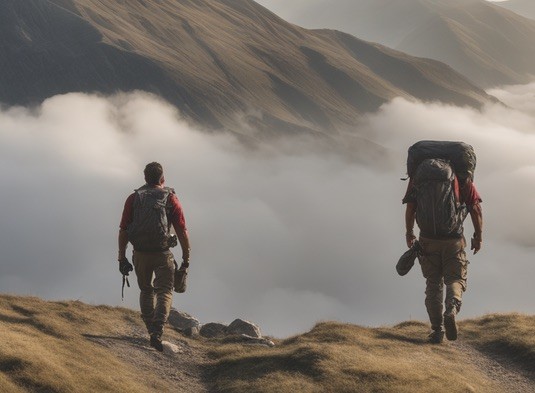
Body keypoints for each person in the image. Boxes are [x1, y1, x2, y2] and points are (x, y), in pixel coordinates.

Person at [118, 162, 190, 351]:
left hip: (140, 253)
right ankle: (157, 331)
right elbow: (182, 230)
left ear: (145, 179)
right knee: (165, 291)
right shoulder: (170, 198)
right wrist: (186, 258)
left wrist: (121, 257)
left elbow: (124, 230)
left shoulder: (134, 198)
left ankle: (151, 329)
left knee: (146, 290)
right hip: (162, 253)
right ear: (162, 179)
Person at [403, 174, 482, 344]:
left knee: (433, 283)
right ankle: (452, 308)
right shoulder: (462, 177)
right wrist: (478, 236)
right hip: (453, 241)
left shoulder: (419, 175)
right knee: (455, 279)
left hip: (427, 240)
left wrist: (410, 233)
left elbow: (411, 207)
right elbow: (475, 208)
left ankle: (437, 330)